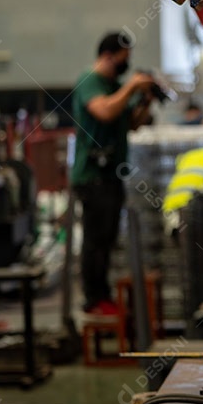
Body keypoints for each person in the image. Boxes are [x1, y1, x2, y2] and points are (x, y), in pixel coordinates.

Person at [71, 32, 155, 315]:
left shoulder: (115, 86)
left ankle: (102, 294)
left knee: (106, 239)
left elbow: (133, 124)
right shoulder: (90, 82)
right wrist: (131, 87)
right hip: (92, 176)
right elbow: (104, 112)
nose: (126, 67)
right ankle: (93, 298)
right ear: (108, 55)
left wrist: (145, 100)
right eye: (123, 60)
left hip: (110, 176)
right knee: (96, 240)